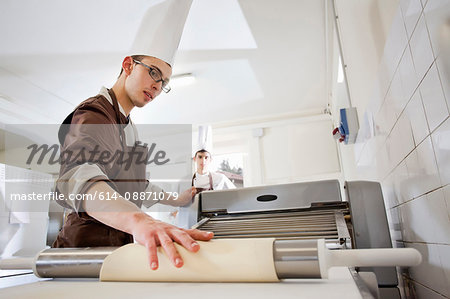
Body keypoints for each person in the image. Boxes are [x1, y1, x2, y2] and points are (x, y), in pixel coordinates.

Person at [53, 0, 213, 271]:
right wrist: (139, 221)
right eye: (153, 72)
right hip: (82, 255)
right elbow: (80, 176)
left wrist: (177, 200)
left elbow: (138, 187)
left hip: (116, 254)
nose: (157, 86)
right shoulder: (94, 113)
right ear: (128, 65)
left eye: (163, 82)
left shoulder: (129, 127)